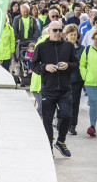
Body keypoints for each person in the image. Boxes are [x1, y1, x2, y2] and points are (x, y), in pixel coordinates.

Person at [30, 21, 80, 158]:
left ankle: (61, 141)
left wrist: (68, 66)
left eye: (59, 30)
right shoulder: (41, 47)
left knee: (67, 116)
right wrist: (44, 67)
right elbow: (33, 65)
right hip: (48, 89)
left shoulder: (69, 46)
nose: (57, 33)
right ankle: (49, 147)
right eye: (55, 30)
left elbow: (76, 64)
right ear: (49, 31)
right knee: (47, 119)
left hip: (64, 88)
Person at [64, 25, 84, 136]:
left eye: (75, 34)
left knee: (75, 103)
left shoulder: (82, 49)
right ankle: (62, 122)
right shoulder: (62, 46)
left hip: (77, 79)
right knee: (63, 102)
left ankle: (72, 125)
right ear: (66, 36)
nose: (73, 37)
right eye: (71, 34)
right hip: (63, 79)